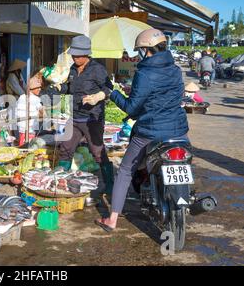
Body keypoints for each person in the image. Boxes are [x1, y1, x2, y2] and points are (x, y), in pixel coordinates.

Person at [95, 29, 189, 232]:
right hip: (178, 131)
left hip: (150, 132)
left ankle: (111, 219)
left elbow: (132, 109)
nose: (139, 54)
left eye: (140, 51)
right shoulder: (175, 69)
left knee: (126, 170)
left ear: (147, 50)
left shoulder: (144, 73)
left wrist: (113, 93)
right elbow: (166, 96)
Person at [41, 35, 115, 196]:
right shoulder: (73, 69)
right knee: (65, 148)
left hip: (92, 119)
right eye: (73, 55)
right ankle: (60, 181)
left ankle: (110, 184)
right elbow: (69, 88)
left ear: (86, 54)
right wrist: (58, 89)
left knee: (97, 152)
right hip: (74, 117)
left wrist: (98, 97)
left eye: (77, 55)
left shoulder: (97, 69)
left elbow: (109, 88)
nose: (74, 58)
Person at [16, 72, 44, 146]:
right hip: (30, 130)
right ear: (32, 89)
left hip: (21, 130)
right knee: (29, 149)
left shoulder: (21, 97)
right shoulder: (36, 99)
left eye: (40, 87)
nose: (40, 89)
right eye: (38, 88)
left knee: (22, 147)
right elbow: (43, 114)